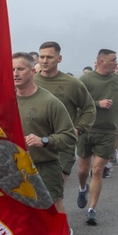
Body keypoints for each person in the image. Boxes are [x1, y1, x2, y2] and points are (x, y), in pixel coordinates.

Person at [76, 49, 118, 226]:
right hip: (87, 129)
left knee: (98, 170)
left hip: (108, 131)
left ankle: (92, 210)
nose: (117, 63)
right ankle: (82, 188)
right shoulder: (85, 80)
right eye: (113, 60)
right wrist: (97, 104)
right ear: (101, 61)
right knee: (83, 170)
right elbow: (76, 104)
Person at [13, 52, 76, 213]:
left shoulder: (50, 102)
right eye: (12, 69)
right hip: (14, 169)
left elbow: (69, 137)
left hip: (44, 168)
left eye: (20, 69)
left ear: (33, 71)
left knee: (52, 213)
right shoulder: (6, 100)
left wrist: (45, 141)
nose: (15, 73)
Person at [35, 41, 95, 184]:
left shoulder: (73, 84)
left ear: (59, 59)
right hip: (35, 143)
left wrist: (78, 129)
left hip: (62, 144)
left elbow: (89, 109)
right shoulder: (31, 81)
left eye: (49, 57)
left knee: (56, 186)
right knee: (37, 190)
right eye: (41, 57)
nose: (44, 61)